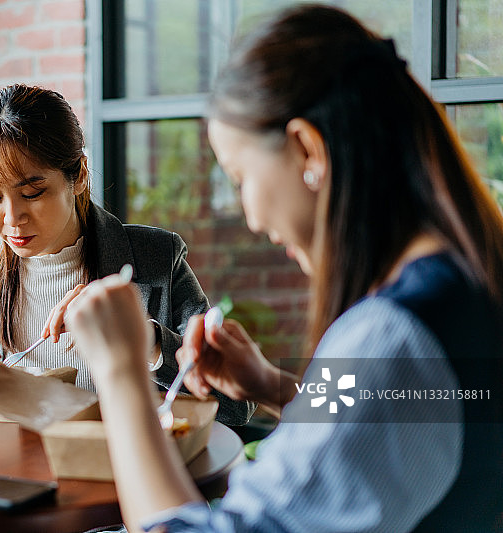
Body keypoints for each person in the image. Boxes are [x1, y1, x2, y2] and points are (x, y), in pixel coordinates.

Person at [65, 5, 503, 533]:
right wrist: (274, 387)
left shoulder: (390, 337)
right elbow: (394, 435)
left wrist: (121, 373)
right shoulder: (462, 284)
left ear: (307, 149)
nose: (249, 216)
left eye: (241, 176)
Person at [0, 84, 254, 427]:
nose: (12, 217)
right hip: (4, 474)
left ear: (77, 175)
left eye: (32, 193)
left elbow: (235, 407)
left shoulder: (156, 259)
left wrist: (145, 340)